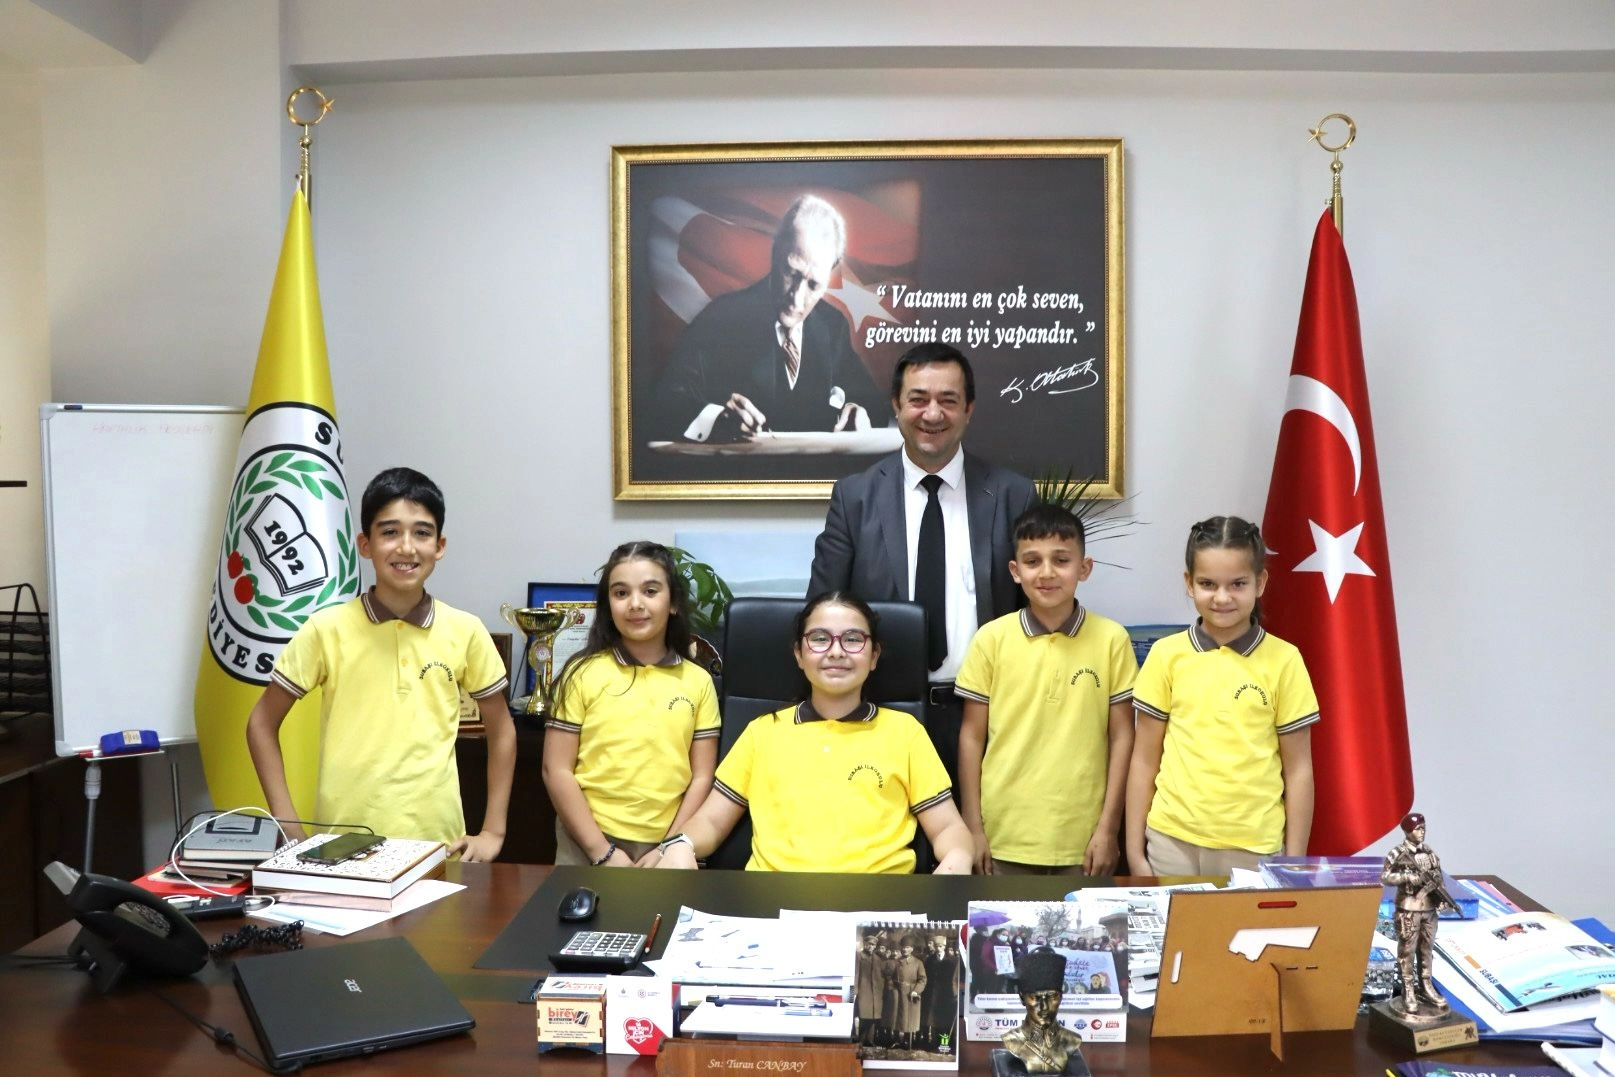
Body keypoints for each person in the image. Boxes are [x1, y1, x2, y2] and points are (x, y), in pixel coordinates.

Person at [246, 467, 515, 859]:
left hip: (438, 848)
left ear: (439, 546)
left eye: (421, 533)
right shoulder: (326, 629)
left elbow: (502, 731)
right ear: (365, 544)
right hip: (342, 847)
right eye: (390, 532)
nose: (406, 548)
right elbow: (260, 723)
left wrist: (493, 831)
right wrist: (289, 828)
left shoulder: (466, 630)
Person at [808, 342, 1039, 787]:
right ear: (896, 405)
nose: (932, 414)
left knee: (976, 832)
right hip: (879, 716)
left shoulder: (1012, 495)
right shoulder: (855, 498)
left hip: (986, 717)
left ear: (969, 409)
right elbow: (821, 610)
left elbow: (1034, 612)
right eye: (918, 399)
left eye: (948, 400)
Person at [646, 591, 975, 873]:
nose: (836, 651)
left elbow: (948, 827)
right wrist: (682, 843)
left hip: (877, 906)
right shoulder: (762, 733)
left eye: (853, 639)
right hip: (772, 904)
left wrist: (958, 857)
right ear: (799, 655)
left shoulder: (905, 732)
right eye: (819, 639)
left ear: (874, 656)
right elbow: (711, 822)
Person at [1125, 515, 1319, 876]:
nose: (1222, 597)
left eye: (1238, 584)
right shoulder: (1166, 655)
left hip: (1253, 849)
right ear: (1189, 583)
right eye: (1208, 584)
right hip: (1170, 844)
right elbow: (1143, 760)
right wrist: (1135, 853)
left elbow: (1298, 771)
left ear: (1260, 583)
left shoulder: (1285, 660)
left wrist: (1293, 862)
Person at [956, 503, 1138, 876]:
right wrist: (973, 827)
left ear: (1084, 568)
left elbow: (1122, 737)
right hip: (1004, 834)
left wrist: (1108, 828)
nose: (1047, 573)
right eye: (1032, 561)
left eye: (1061, 560)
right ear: (1015, 571)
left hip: (1083, 840)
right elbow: (972, 737)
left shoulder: (1112, 639)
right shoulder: (991, 639)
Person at [650, 193, 889, 443]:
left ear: (830, 273)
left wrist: (858, 411)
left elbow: (874, 405)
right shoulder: (720, 319)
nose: (797, 298)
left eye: (813, 284)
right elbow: (665, 402)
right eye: (791, 272)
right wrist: (716, 418)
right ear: (776, 253)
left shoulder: (832, 325)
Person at [541, 541, 721, 866]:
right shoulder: (581, 673)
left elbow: (701, 778)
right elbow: (556, 770)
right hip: (586, 844)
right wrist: (601, 851)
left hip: (667, 848)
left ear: (673, 603)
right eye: (621, 593)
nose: (635, 604)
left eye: (650, 591)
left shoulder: (698, 681)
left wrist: (668, 848)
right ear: (608, 605)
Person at [1380, 812, 1457, 1018]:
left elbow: (1438, 878)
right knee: (1407, 950)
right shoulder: (1398, 853)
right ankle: (1408, 990)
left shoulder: (1429, 853)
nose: (1422, 832)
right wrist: (1407, 877)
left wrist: (1442, 899)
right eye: (1417, 829)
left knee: (1426, 949)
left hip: (1429, 909)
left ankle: (1426, 985)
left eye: (1423, 828)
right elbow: (1385, 876)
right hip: (1408, 908)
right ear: (1408, 831)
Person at [993, 947, 1089, 1076]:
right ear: (1022, 998)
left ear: (1060, 997)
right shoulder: (1011, 1040)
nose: (1044, 1007)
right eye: (1035, 997)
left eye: (1052, 996)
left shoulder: (1072, 1040)